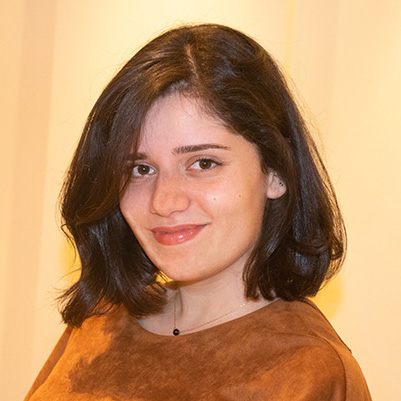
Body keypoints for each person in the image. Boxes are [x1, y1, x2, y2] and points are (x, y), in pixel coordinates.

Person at [25, 24, 371, 400]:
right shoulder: (96, 327)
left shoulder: (309, 373)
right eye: (140, 169)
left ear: (276, 171)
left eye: (204, 163)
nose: (163, 202)